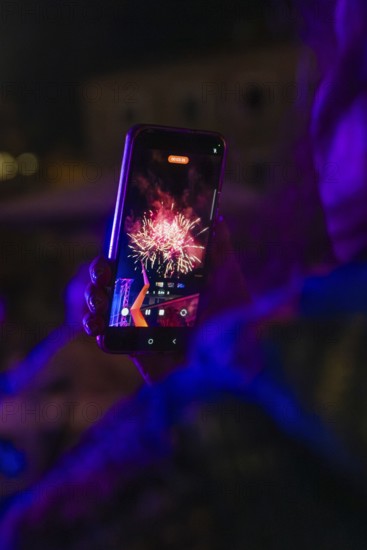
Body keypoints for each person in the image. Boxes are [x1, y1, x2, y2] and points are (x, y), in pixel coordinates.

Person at [2, 0, 367, 547]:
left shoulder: (247, 435)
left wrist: (226, 369)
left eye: (350, 70)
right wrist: (197, 361)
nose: (321, 106)